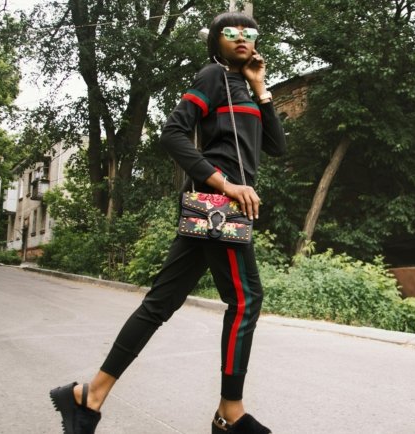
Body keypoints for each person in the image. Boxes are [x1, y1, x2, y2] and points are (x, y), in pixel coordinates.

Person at [50, 11, 286, 434]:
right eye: (231, 33)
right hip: (217, 204)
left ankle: (90, 395)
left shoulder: (244, 88)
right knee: (246, 300)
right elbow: (173, 133)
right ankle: (230, 412)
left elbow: (276, 146)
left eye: (249, 34)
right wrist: (226, 184)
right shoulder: (212, 75)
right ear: (216, 41)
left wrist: (261, 87)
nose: (242, 39)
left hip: (218, 211)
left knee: (160, 303)